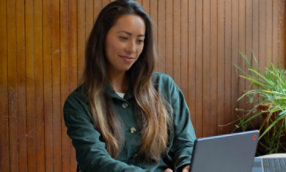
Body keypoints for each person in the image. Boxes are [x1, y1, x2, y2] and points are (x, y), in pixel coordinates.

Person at [63, 0, 196, 171]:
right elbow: (94, 160)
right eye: (124, 38)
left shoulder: (165, 86)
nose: (132, 49)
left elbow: (186, 142)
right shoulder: (79, 103)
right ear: (102, 38)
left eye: (140, 40)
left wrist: (187, 165)